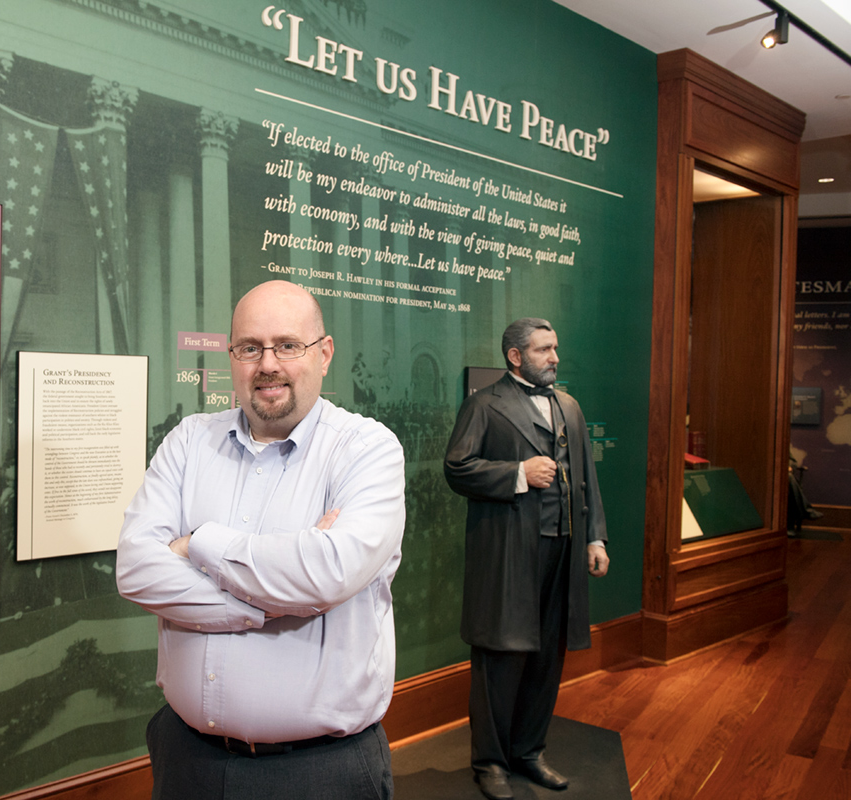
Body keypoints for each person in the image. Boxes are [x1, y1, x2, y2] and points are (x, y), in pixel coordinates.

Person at [116, 280, 405, 800]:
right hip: (188, 762)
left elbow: (328, 572)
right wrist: (274, 603)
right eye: (249, 348)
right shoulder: (189, 441)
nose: (266, 364)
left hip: (320, 773)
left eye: (287, 345)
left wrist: (197, 544)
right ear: (232, 356)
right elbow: (136, 570)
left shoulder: (368, 450)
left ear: (324, 354)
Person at [443, 317, 609, 800]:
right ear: (515, 356)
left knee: (546, 654)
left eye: (555, 348)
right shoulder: (483, 405)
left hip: (563, 548)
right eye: (543, 350)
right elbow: (458, 468)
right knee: (501, 655)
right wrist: (517, 472)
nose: (554, 357)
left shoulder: (570, 408)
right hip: (508, 553)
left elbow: (585, 481)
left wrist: (596, 539)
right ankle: (490, 762)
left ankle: (529, 751)